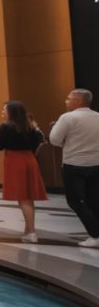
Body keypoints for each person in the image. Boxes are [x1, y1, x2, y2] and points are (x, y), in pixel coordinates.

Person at [49, 89, 99, 248]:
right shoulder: (97, 116)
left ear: (77, 101)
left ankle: (95, 234)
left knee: (74, 200)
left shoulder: (68, 117)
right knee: (93, 199)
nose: (66, 101)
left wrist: (64, 140)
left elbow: (54, 139)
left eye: (68, 98)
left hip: (74, 164)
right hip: (96, 164)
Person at [0, 101, 47, 243]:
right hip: (29, 159)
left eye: (4, 109)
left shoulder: (6, 126)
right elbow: (36, 143)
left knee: (23, 197)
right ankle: (28, 230)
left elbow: (0, 146)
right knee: (28, 197)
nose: (2, 112)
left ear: (11, 112)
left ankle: (31, 232)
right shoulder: (30, 127)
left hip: (14, 160)